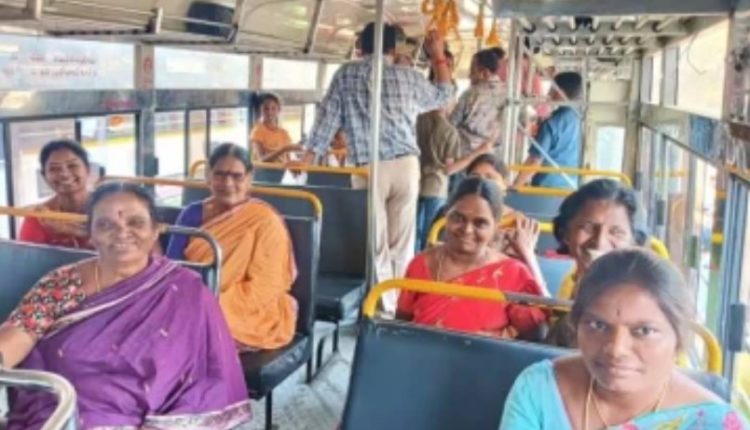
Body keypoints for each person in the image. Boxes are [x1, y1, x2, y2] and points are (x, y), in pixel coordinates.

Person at [0, 182, 251, 429]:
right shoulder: (61, 283)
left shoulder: (187, 291)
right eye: (105, 224)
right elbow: (22, 330)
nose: (121, 232)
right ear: (91, 235)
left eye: (136, 223)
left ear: (155, 231)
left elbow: (207, 382)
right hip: (61, 412)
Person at [295, 22, 455, 313]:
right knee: (402, 242)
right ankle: (401, 305)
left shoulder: (346, 74)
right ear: (394, 48)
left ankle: (385, 308)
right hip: (406, 166)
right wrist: (438, 55)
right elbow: (445, 94)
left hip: (367, 168)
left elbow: (326, 120)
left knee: (377, 244)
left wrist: (307, 159)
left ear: (360, 46)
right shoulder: (409, 76)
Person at [501, 249, 749, 430]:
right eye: (598, 325)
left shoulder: (714, 424)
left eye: (644, 331)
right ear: (576, 325)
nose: (616, 349)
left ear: (679, 338)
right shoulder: (540, 389)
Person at [167, 143, 297, 350]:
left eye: (237, 176)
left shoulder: (265, 221)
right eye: (219, 175)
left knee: (186, 334)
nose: (227, 183)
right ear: (208, 176)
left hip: (244, 312)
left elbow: (266, 286)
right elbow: (172, 265)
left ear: (249, 178)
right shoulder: (191, 214)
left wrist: (209, 306)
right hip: (188, 298)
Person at [398, 177, 547, 339]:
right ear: (447, 216)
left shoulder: (513, 273)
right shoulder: (421, 264)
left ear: (495, 227)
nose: (467, 230)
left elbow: (536, 332)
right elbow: (399, 327)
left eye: (480, 223)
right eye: (458, 218)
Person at [552, 179, 647, 301]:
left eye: (616, 232)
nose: (599, 243)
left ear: (634, 243)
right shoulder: (572, 280)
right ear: (565, 233)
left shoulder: (637, 300)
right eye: (588, 228)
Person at [513, 72, 583, 189]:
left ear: (560, 91)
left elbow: (534, 161)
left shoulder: (552, 123)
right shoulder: (581, 120)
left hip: (547, 187)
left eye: (552, 89)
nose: (549, 93)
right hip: (571, 186)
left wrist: (515, 187)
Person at [19, 139, 92, 248]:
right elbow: (27, 256)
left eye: (72, 165)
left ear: (88, 169)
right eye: (54, 169)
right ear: (44, 176)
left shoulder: (109, 208)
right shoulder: (39, 218)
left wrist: (74, 231)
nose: (64, 174)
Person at [450, 49, 506, 154]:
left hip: (467, 154)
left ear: (485, 73)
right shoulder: (508, 94)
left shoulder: (471, 94)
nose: (469, 75)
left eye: (472, 71)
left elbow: (452, 124)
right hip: (495, 154)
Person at [250, 93, 300, 162]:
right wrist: (283, 149)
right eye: (266, 109)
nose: (269, 112)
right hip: (263, 169)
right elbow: (261, 159)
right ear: (260, 110)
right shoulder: (257, 131)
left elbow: (288, 159)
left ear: (279, 110)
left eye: (273, 108)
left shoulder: (283, 133)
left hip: (281, 168)